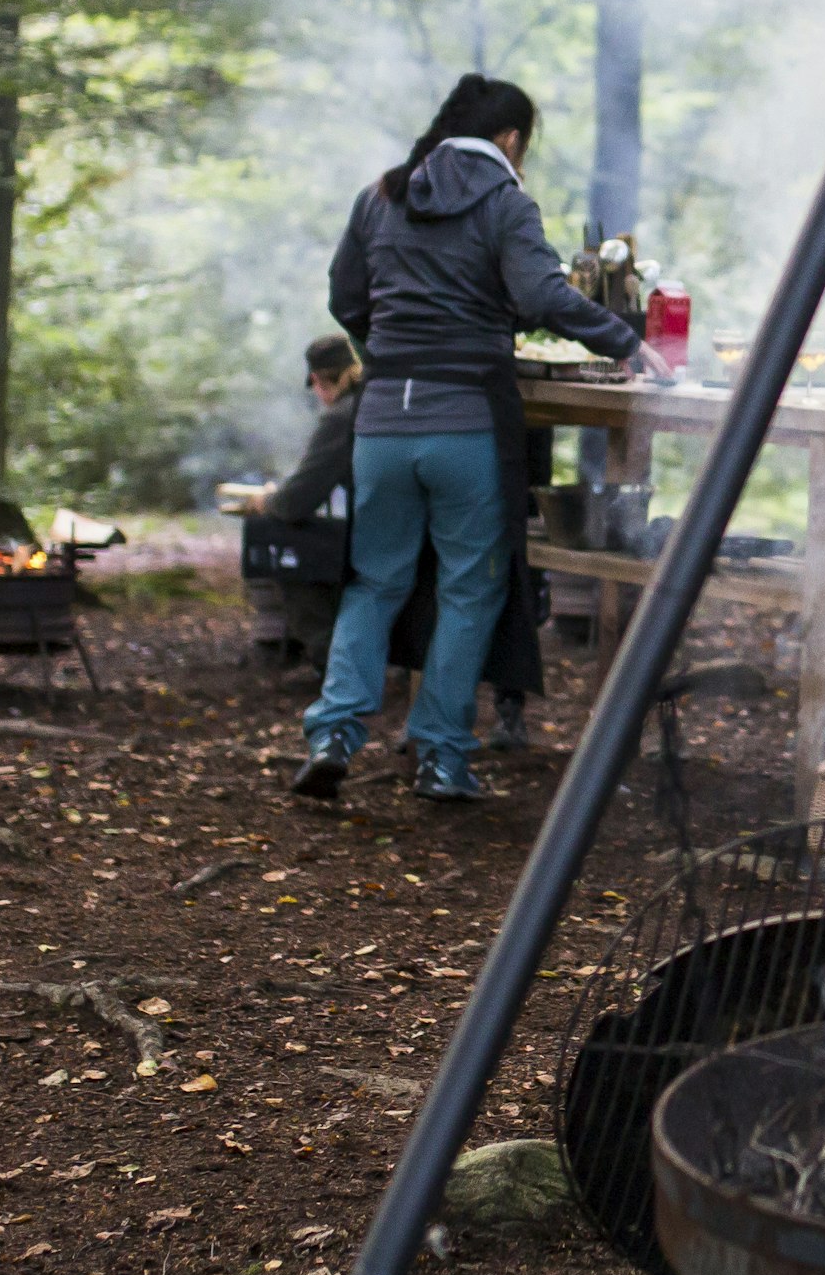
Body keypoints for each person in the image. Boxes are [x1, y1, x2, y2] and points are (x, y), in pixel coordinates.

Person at [302, 75, 658, 803]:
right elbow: (539, 295)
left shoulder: (379, 196)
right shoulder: (504, 201)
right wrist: (626, 340)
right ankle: (440, 755)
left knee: (375, 581)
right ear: (510, 140)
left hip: (382, 426)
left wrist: (391, 348)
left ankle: (333, 735)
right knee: (470, 588)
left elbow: (345, 297)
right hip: (464, 420)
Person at [245, 336, 362, 678]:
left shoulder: (342, 415)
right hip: (396, 521)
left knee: (282, 538)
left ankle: (326, 658)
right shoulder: (372, 400)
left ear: (318, 381)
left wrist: (266, 501)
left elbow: (296, 500)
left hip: (376, 530)